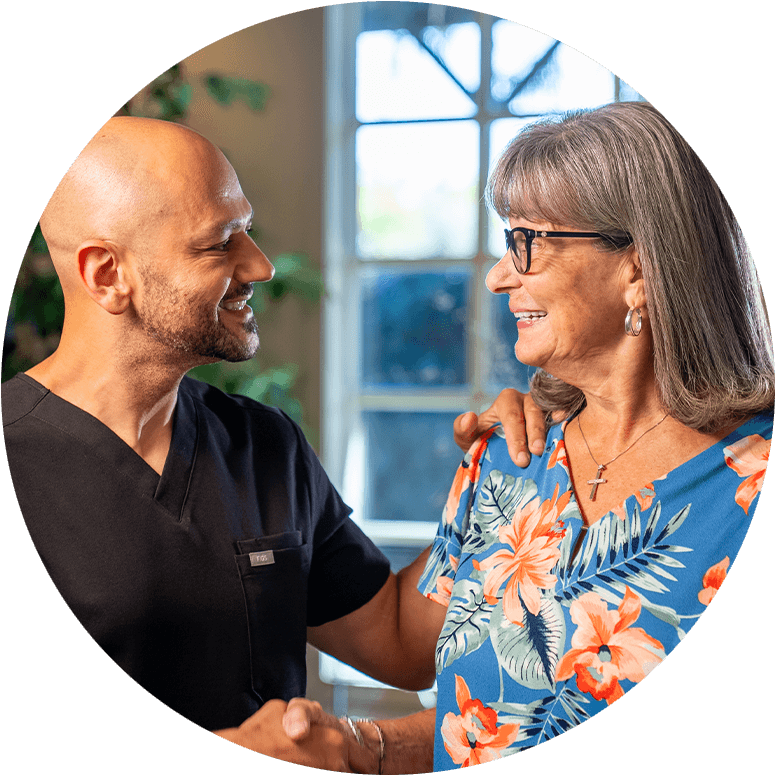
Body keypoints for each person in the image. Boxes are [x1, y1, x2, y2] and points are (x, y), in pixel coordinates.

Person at [1, 115, 546, 765]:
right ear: (107, 273)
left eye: (247, 231)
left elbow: (401, 640)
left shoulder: (265, 442)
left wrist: (505, 476)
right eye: (219, 243)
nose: (259, 264)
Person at [251, 101, 773, 770]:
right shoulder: (503, 459)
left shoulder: (748, 483)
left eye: (525, 240)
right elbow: (434, 671)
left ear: (637, 266)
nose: (499, 275)